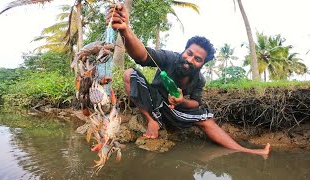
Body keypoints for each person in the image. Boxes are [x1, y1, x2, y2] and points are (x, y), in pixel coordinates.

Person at [106, 4, 270, 155]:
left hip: (175, 111)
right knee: (129, 74)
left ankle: (248, 151)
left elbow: (196, 103)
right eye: (189, 53)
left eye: (198, 59)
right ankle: (152, 121)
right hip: (153, 103)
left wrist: (181, 100)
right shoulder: (169, 58)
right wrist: (125, 30)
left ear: (202, 64)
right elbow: (141, 56)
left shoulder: (199, 80)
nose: (190, 60)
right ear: (184, 51)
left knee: (207, 119)